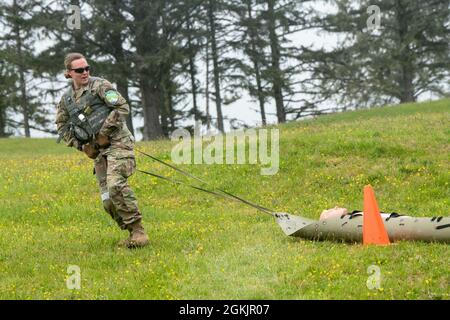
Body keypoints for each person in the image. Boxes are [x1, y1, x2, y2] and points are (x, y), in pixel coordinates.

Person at [55, 52, 149, 248]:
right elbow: (62, 126)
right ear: (69, 73)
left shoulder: (100, 86)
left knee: (115, 185)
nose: (85, 73)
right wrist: (82, 146)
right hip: (98, 152)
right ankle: (131, 234)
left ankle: (139, 231)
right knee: (107, 201)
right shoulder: (67, 100)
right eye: (79, 70)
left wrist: (105, 131)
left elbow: (122, 107)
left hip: (118, 143)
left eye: (87, 68)